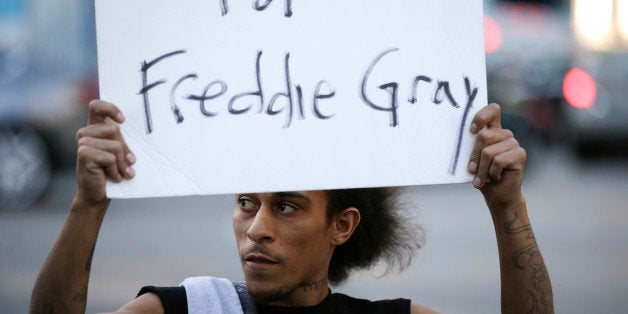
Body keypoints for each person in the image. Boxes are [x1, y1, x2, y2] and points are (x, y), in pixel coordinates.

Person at [30, 100, 553, 313]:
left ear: (342, 225)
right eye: (245, 203)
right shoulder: (188, 309)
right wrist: (88, 204)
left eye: (286, 207)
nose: (255, 228)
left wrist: (509, 209)